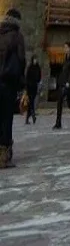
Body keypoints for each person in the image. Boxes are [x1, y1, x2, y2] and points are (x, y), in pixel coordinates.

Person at [0, 9, 25, 169]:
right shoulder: (17, 36)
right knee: (6, 119)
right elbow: (21, 61)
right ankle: (4, 156)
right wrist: (22, 86)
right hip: (8, 83)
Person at [25, 55, 40, 125]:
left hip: (34, 87)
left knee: (31, 102)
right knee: (30, 102)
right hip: (29, 87)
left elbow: (39, 76)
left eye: (36, 59)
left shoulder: (38, 67)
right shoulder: (30, 68)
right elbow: (27, 78)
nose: (35, 61)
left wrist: (38, 81)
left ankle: (28, 118)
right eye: (34, 59)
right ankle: (33, 114)